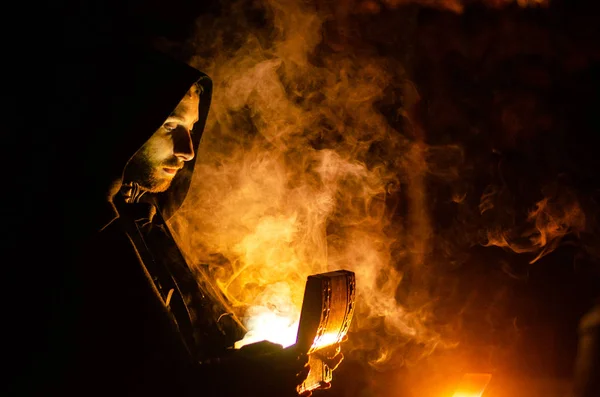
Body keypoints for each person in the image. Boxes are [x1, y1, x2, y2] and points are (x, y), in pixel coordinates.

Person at [24, 38, 343, 397]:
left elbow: (197, 352)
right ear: (126, 123)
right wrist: (236, 383)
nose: (187, 151)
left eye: (191, 130)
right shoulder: (56, 245)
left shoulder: (146, 221)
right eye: (170, 127)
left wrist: (261, 363)